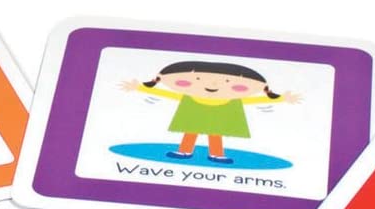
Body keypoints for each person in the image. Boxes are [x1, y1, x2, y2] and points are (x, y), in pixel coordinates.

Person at [120, 60, 302, 164]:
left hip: (218, 119)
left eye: (228, 82)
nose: (213, 85)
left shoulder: (232, 100)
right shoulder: (189, 96)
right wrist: (139, 88)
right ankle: (184, 152)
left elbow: (255, 100)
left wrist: (282, 99)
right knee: (190, 132)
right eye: (197, 79)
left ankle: (216, 154)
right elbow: (166, 93)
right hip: (193, 116)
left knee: (215, 135)